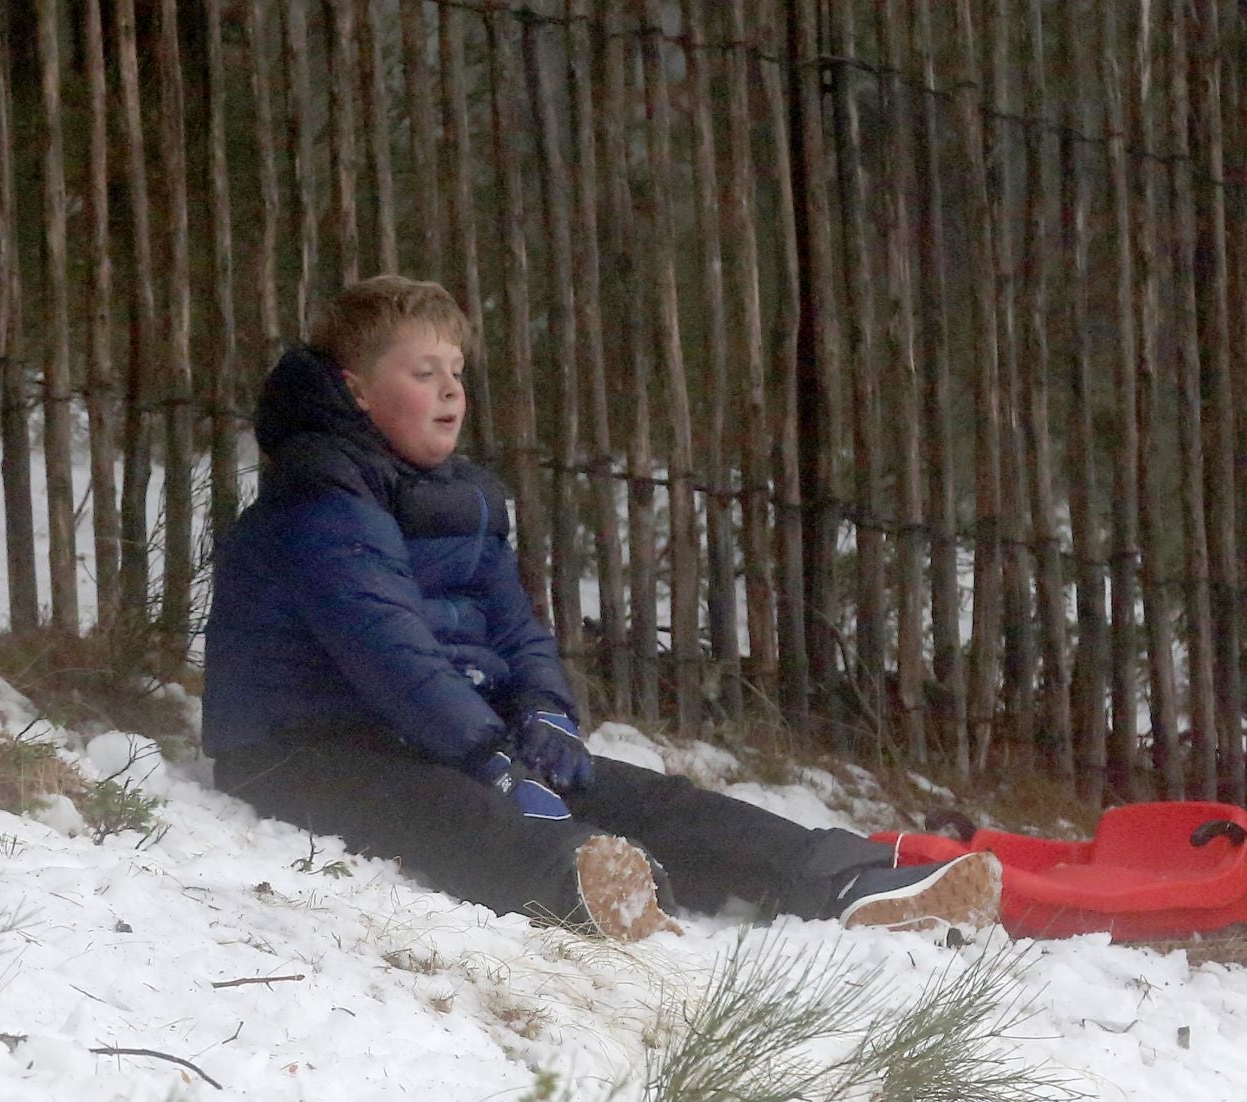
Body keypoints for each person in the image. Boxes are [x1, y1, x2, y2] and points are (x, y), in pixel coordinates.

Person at [204, 275, 1001, 941]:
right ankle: (588, 882)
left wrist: (543, 716)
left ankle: (846, 879)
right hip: (306, 744)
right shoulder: (320, 491)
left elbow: (513, 626)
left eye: (457, 371)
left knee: (647, 795)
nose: (452, 390)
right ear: (356, 390)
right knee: (452, 810)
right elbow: (387, 647)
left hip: (435, 731)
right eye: (424, 373)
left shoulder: (464, 500)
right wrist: (488, 756)